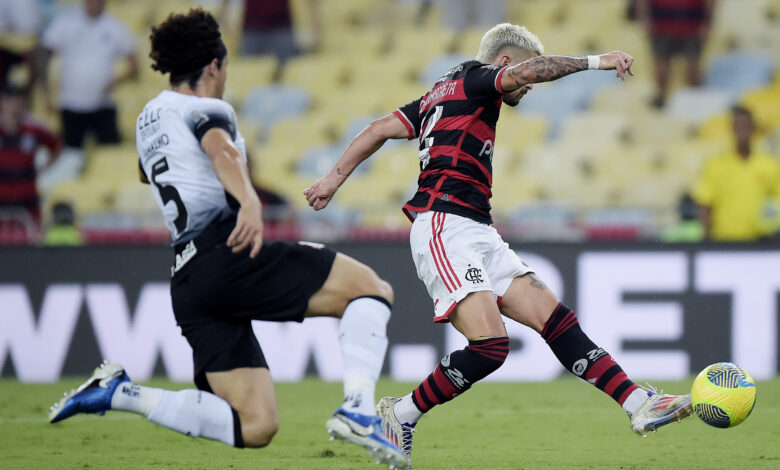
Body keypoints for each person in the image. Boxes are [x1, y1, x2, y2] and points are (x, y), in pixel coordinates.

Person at [305, 23, 692, 464]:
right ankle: (401, 413)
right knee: (491, 347)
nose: (524, 90)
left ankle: (638, 403)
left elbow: (377, 129)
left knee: (556, 320)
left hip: (477, 228)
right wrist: (596, 61)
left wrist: (333, 179)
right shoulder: (477, 78)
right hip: (443, 224)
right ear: (506, 64)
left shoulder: (437, 94)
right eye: (519, 77)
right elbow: (527, 74)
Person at [48, 9, 408, 470]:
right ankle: (358, 410)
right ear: (214, 66)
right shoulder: (209, 108)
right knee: (372, 290)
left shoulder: (147, 118)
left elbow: (146, 173)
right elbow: (218, 149)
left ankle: (120, 392)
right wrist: (250, 202)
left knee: (255, 425)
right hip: (228, 251)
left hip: (189, 278)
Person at [40, 0, 138, 150]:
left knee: (110, 153)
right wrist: (47, 91)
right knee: (71, 155)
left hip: (103, 104)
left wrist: (116, 80)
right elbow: (44, 54)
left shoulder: (114, 26)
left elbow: (134, 64)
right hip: (70, 104)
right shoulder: (65, 22)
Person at [693, 105, 780, 241]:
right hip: (724, 241)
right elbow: (705, 205)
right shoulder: (716, 165)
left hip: (761, 242)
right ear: (732, 129)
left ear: (753, 129)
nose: (743, 130)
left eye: (746, 125)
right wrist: (707, 239)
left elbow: (776, 202)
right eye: (739, 125)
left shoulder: (770, 166)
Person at [0, 84, 60, 226]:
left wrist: (44, 166)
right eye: (10, 101)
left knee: (31, 240)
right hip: (1, 195)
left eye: (18, 102)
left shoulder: (34, 128)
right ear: (2, 102)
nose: (14, 106)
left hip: (27, 196)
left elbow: (57, 146)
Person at [635, 0, 713, 108]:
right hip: (661, 26)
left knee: (693, 69)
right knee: (661, 69)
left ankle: (695, 102)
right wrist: (644, 19)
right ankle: (660, 100)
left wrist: (708, 24)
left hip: (692, 26)